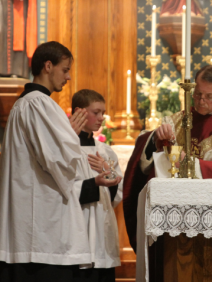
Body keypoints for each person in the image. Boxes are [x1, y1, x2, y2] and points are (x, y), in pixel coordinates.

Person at [0, 41, 117, 282]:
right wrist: (70, 136)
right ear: (48, 66)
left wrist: (66, 136)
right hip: (42, 230)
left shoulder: (26, 104)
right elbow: (59, 163)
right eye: (65, 69)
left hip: (33, 224)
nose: (68, 77)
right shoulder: (39, 104)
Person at [123, 65, 212, 252]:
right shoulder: (178, 120)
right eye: (197, 94)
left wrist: (188, 164)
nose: (201, 101)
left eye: (209, 96)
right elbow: (148, 158)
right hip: (173, 218)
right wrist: (155, 138)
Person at [71, 89, 123, 282]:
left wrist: (109, 174)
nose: (101, 117)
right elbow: (63, 189)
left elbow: (116, 196)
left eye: (103, 113)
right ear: (79, 111)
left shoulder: (105, 151)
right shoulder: (67, 149)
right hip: (78, 224)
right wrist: (94, 183)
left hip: (101, 225)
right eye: (96, 112)